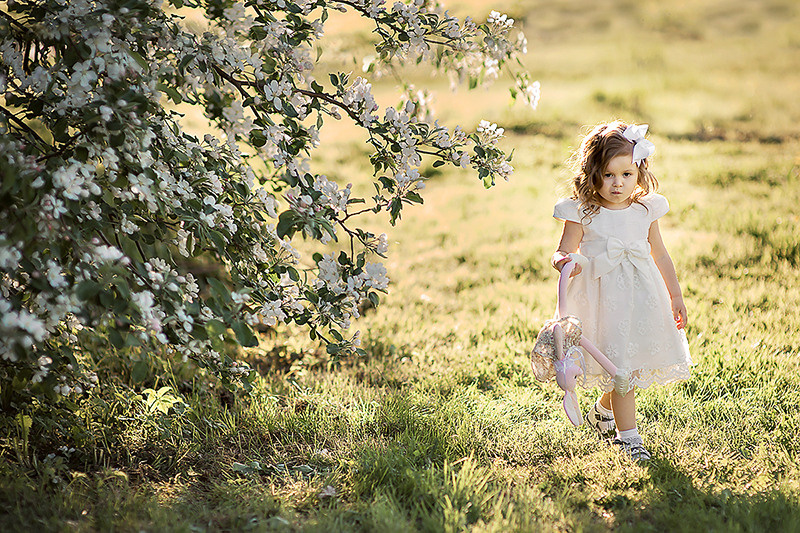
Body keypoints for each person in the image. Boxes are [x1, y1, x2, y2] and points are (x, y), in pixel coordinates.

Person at [550, 121, 692, 461]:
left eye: (627, 175)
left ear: (639, 173)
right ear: (592, 172)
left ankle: (603, 411)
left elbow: (659, 252)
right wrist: (564, 262)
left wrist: (675, 295)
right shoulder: (583, 211)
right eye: (609, 175)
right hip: (602, 298)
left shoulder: (645, 209)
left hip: (642, 295)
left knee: (630, 366)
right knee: (621, 366)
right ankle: (628, 438)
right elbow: (564, 248)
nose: (618, 184)